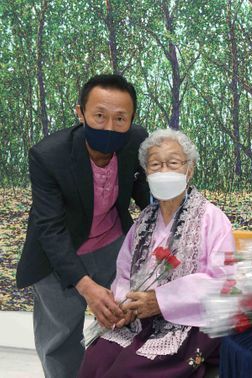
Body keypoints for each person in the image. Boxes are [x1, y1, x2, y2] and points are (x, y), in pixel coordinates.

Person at [16, 74, 150, 378]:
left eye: (120, 118)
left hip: (112, 244)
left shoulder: (136, 141)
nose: (109, 127)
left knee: (128, 321)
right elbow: (49, 228)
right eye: (99, 116)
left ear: (132, 119)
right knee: (60, 339)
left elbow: (144, 193)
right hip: (58, 254)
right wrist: (85, 285)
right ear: (81, 113)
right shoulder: (48, 155)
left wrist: (176, 217)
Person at [78, 128, 235, 378]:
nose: (163, 171)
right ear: (147, 173)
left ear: (189, 169)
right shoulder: (143, 222)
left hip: (190, 321)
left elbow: (223, 282)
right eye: (155, 165)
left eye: (172, 163)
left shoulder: (212, 219)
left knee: (127, 371)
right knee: (95, 359)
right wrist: (125, 305)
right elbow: (123, 274)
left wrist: (161, 301)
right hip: (139, 320)